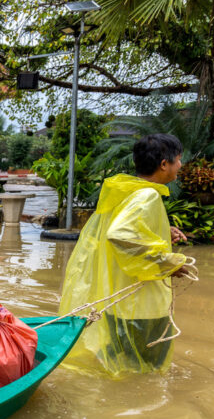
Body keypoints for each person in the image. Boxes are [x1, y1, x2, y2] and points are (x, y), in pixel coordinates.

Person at [58, 133, 192, 377]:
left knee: (122, 368)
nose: (180, 165)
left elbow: (126, 228)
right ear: (164, 164)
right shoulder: (148, 195)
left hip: (120, 304)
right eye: (179, 160)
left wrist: (162, 230)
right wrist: (168, 263)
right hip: (143, 308)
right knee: (148, 374)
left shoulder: (127, 191)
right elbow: (120, 234)